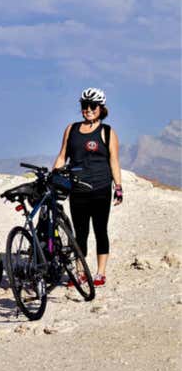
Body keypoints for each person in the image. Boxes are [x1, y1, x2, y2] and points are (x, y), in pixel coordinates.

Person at [53, 87, 123, 287]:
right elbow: (62, 155)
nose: (88, 109)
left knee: (100, 230)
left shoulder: (107, 132)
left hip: (100, 188)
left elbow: (114, 161)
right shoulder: (71, 129)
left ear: (101, 108)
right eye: (85, 106)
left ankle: (100, 273)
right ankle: (80, 272)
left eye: (93, 106)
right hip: (77, 190)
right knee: (79, 233)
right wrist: (53, 176)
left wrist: (118, 187)